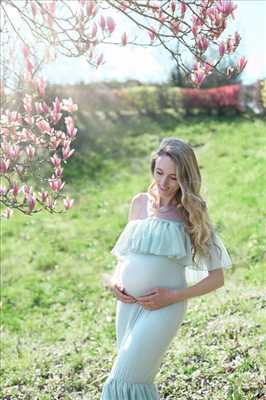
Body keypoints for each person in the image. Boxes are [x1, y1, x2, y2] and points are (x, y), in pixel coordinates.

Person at [100, 137, 232, 399]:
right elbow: (125, 257)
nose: (163, 183)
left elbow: (217, 278)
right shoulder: (139, 204)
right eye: (159, 173)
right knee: (138, 380)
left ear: (185, 178)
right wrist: (116, 282)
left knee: (121, 380)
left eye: (173, 177)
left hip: (164, 309)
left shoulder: (192, 213)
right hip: (127, 305)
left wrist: (171, 297)